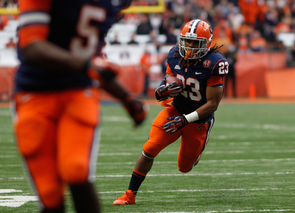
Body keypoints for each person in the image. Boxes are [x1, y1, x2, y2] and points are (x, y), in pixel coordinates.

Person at [13, 0, 148, 213]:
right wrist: (86, 66)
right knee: (49, 193)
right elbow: (31, 46)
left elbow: (90, 59)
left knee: (76, 170)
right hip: (35, 93)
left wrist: (126, 97)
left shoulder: (108, 6)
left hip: (78, 92)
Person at [112, 19, 229, 205]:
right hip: (175, 109)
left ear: (206, 44)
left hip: (198, 119)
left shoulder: (215, 63)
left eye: (195, 42)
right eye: (187, 41)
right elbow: (169, 78)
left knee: (184, 167)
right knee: (150, 148)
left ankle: (200, 147)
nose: (189, 46)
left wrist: (185, 120)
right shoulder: (175, 54)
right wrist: (161, 90)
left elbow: (212, 104)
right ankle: (130, 194)